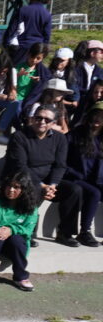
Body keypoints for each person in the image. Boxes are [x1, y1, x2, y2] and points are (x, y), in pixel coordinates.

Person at [4, 105, 80, 246]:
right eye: (38, 118)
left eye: (47, 119)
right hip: (21, 177)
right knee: (34, 188)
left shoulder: (59, 139)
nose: (42, 122)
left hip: (47, 181)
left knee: (74, 190)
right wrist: (42, 185)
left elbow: (60, 165)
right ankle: (28, 231)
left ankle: (65, 233)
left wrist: (52, 185)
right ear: (33, 119)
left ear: (53, 123)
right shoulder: (19, 136)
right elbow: (21, 166)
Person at [63, 103, 103, 247]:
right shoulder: (75, 134)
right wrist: (72, 172)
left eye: (102, 116)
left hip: (96, 179)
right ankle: (84, 232)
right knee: (94, 193)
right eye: (95, 115)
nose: (98, 119)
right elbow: (61, 160)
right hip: (75, 177)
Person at [7, 0, 54, 65]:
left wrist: (6, 43)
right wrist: (44, 51)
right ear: (48, 1)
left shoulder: (23, 10)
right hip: (37, 49)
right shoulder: (47, 15)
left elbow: (12, 29)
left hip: (21, 47)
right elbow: (47, 36)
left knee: (15, 71)